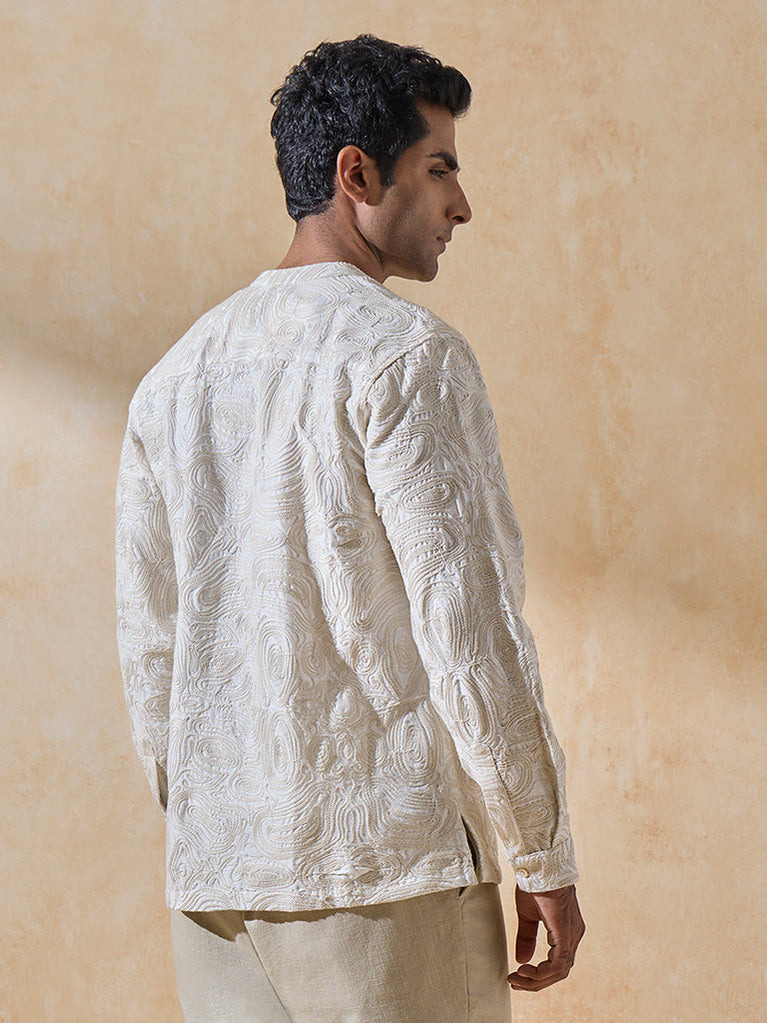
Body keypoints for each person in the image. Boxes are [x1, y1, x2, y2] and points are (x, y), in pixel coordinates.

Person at [115, 33, 585, 1023]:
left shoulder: (172, 381)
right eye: (439, 168)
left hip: (217, 888)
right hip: (388, 879)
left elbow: (150, 651)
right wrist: (541, 851)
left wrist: (210, 821)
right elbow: (470, 631)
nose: (462, 204)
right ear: (356, 174)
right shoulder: (405, 357)